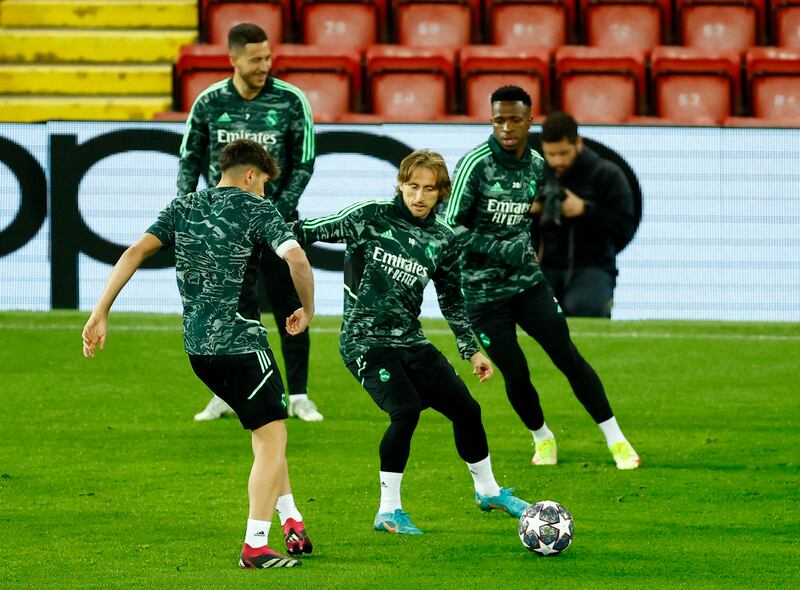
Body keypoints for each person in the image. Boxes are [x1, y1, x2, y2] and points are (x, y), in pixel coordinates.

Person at [82, 140, 316, 568]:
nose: (264, 190)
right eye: (264, 182)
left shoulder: (182, 207)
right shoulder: (256, 208)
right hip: (242, 346)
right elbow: (297, 260)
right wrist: (309, 307)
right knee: (272, 436)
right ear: (251, 175)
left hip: (197, 350)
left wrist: (100, 312)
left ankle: (292, 519)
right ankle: (256, 546)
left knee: (265, 428)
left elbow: (134, 252)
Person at [291, 150, 529, 534]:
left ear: (441, 193)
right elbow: (309, 230)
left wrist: (471, 350)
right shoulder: (371, 216)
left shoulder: (443, 239)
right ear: (401, 185)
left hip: (411, 342)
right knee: (406, 410)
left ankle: (488, 491)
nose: (419, 196)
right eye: (413, 186)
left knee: (467, 411)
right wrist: (258, 233)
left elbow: (452, 298)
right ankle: (388, 510)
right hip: (364, 342)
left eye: (429, 189)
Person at [444, 86, 640, 470]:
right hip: (483, 295)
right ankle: (542, 437)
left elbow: (519, 221)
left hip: (528, 284)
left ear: (529, 120)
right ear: (491, 120)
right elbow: (449, 228)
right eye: (499, 119)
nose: (506, 127)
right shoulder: (475, 164)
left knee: (568, 357)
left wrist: (525, 244)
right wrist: (501, 248)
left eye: (514, 119)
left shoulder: (535, 165)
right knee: (515, 372)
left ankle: (616, 439)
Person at [178, 22, 322, 422]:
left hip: (277, 224)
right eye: (256, 59)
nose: (265, 65)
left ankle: (299, 395)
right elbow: (189, 159)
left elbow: (305, 161)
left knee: (289, 305)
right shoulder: (208, 102)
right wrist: (189, 208)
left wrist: (276, 210)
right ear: (233, 60)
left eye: (268, 57)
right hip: (225, 230)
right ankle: (225, 395)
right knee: (232, 311)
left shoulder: (291, 100)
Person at [532, 111, 636, 317]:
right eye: (551, 154)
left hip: (592, 266)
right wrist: (529, 209)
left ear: (578, 143)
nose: (557, 161)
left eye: (564, 153)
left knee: (585, 308)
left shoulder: (607, 174)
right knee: (533, 313)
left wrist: (585, 210)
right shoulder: (533, 170)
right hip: (543, 265)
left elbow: (625, 227)